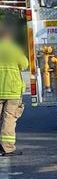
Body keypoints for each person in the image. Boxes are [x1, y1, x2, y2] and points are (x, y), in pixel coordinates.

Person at [0, 26, 29, 156]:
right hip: (12, 91)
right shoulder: (14, 49)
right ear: (9, 37)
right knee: (9, 119)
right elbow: (24, 65)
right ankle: (7, 148)